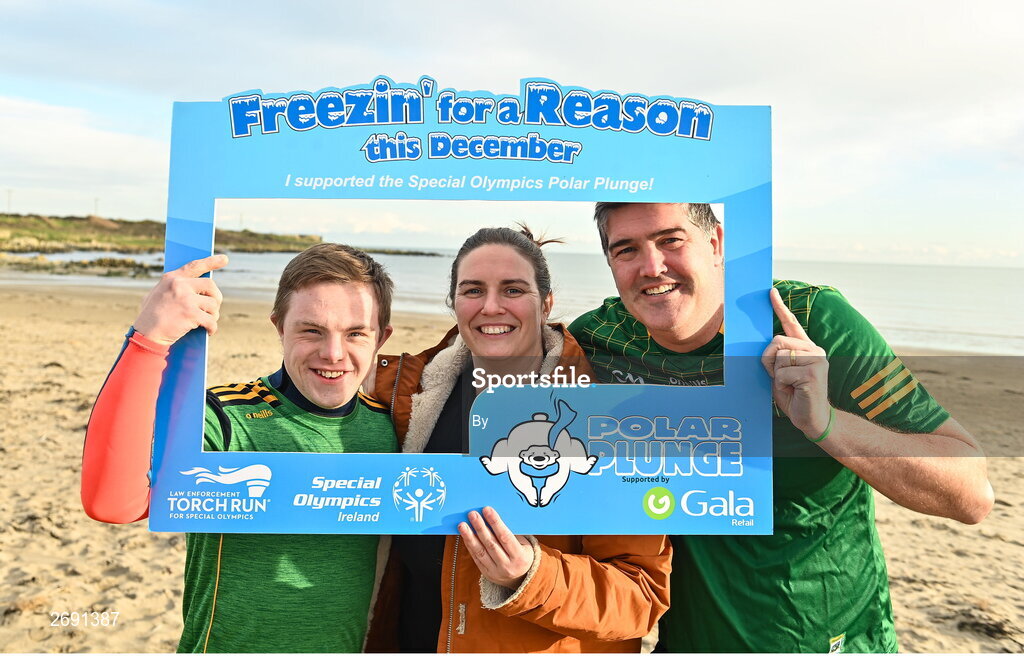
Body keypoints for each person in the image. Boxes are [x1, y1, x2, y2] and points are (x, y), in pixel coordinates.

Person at [568, 202, 994, 653]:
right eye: (626, 250)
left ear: (716, 243)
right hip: (688, 638)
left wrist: (827, 423)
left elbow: (971, 496)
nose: (652, 267)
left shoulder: (812, 322)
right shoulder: (598, 341)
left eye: (671, 240)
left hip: (823, 635)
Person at [363, 226, 672, 653]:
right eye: (473, 290)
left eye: (512, 290)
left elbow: (641, 598)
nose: (491, 307)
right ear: (453, 302)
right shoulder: (408, 394)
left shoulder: (606, 412)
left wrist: (531, 574)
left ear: (545, 302)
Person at [81, 244, 398, 653]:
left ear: (381, 338)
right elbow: (111, 502)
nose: (333, 353)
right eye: (311, 330)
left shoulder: (391, 427)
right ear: (279, 327)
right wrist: (149, 337)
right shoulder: (224, 417)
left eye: (356, 333)